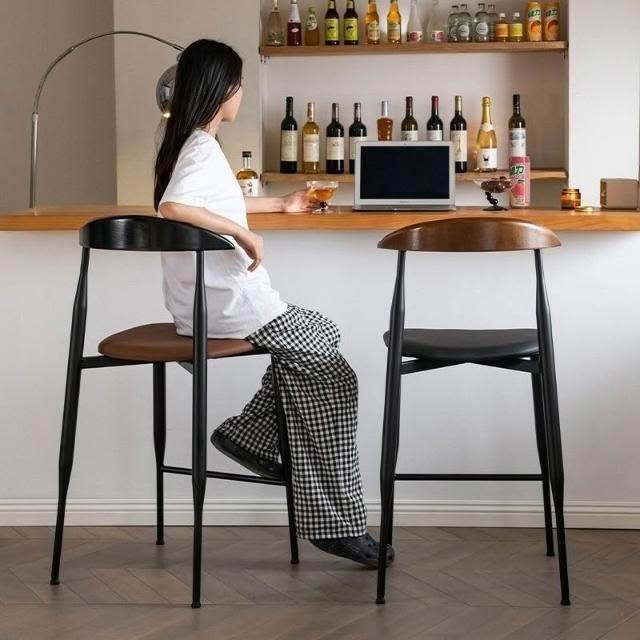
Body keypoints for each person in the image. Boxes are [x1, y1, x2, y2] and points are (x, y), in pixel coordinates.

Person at [154, 39, 393, 568]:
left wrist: (278, 204)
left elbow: (212, 201)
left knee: (322, 348)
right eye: (238, 84)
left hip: (206, 306)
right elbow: (175, 207)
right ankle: (334, 524)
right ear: (222, 90)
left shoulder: (192, 145)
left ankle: (252, 437)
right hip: (231, 307)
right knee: (335, 377)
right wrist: (245, 235)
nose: (241, 92)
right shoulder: (200, 148)